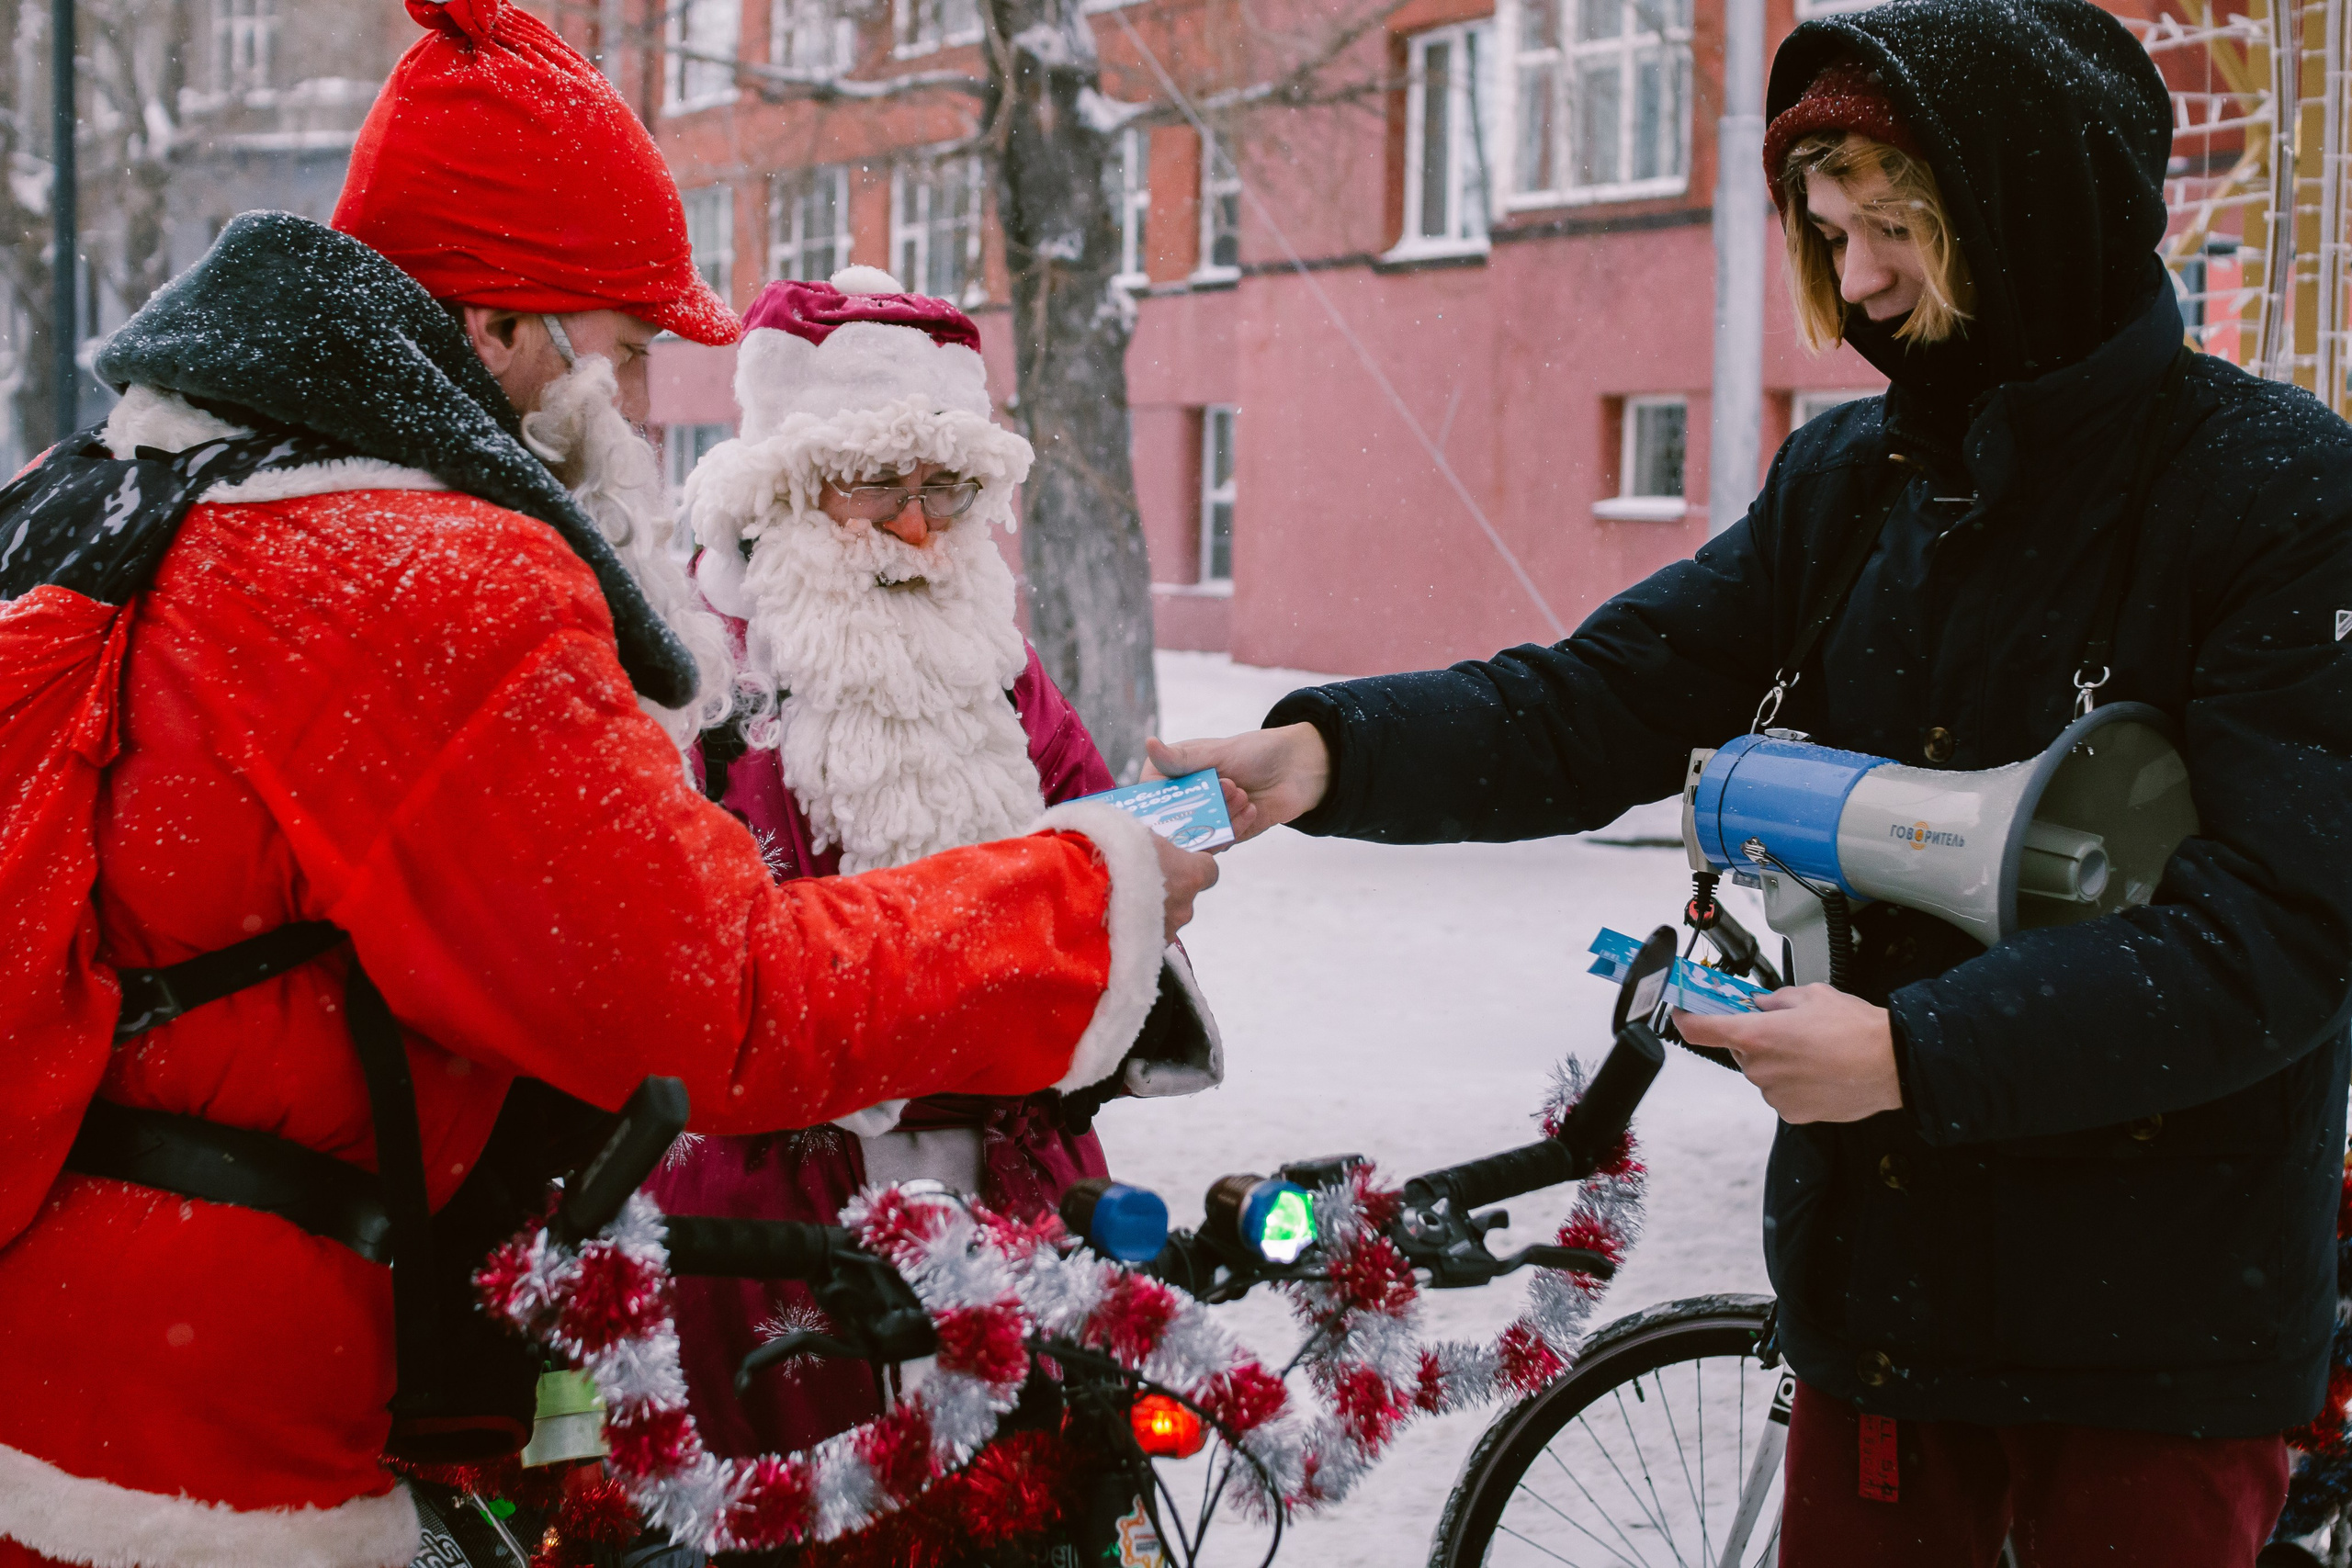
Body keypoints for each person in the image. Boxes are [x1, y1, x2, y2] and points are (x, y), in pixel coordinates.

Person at [0, 4, 1214, 1567]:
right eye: (625, 346)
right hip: (205, 1447)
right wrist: (1090, 893)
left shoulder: (122, 485)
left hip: (69, 1338)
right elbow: (728, 1000)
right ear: (500, 326)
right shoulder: (415, 575)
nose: (634, 406)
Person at [1153, 1, 2352, 1561]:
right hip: (1883, 1311)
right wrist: (1329, 751)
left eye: (1898, 230)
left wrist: (1915, 1053)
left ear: (2033, 218)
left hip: (2157, 1340)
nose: (1855, 284)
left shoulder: (2271, 492)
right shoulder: (1851, 483)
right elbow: (1602, 699)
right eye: (1830, 230)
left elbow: (2281, 927)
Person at [649, 269, 1222, 1456]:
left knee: (1037, 1487)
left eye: (948, 489)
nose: (920, 527)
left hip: (1015, 1174)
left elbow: (1085, 838)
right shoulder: (692, 678)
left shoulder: (998, 664)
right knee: (825, 1495)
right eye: (880, 487)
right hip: (785, 1205)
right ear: (793, 487)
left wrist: (1151, 851)